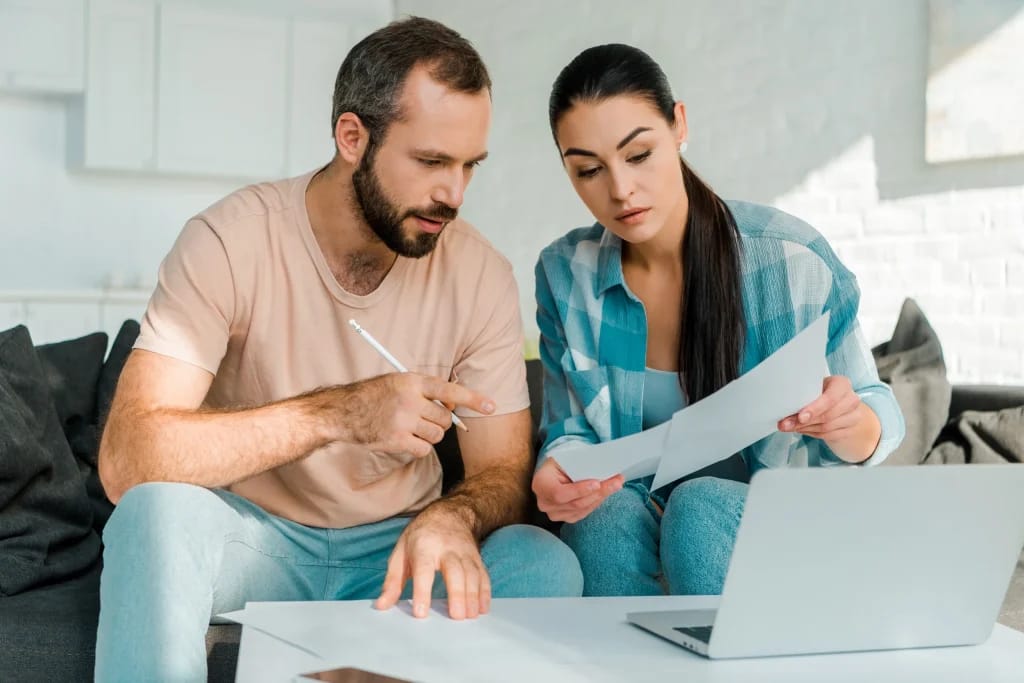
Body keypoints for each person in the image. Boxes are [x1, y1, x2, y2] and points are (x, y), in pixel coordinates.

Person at [95, 17, 582, 682]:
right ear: (352, 136)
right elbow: (127, 460)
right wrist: (340, 414)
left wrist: (453, 515)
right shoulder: (230, 240)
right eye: (432, 162)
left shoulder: (480, 274)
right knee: (151, 513)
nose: (455, 194)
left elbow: (501, 469)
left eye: (470, 165)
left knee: (539, 558)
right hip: (256, 538)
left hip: (398, 549)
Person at [531, 44, 905, 598]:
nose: (619, 190)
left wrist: (851, 422)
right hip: (641, 516)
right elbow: (570, 431)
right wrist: (557, 472)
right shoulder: (566, 274)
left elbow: (878, 414)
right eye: (588, 170)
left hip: (783, 526)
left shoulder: (788, 258)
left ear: (678, 125)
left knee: (700, 508)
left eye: (638, 155)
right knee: (601, 519)